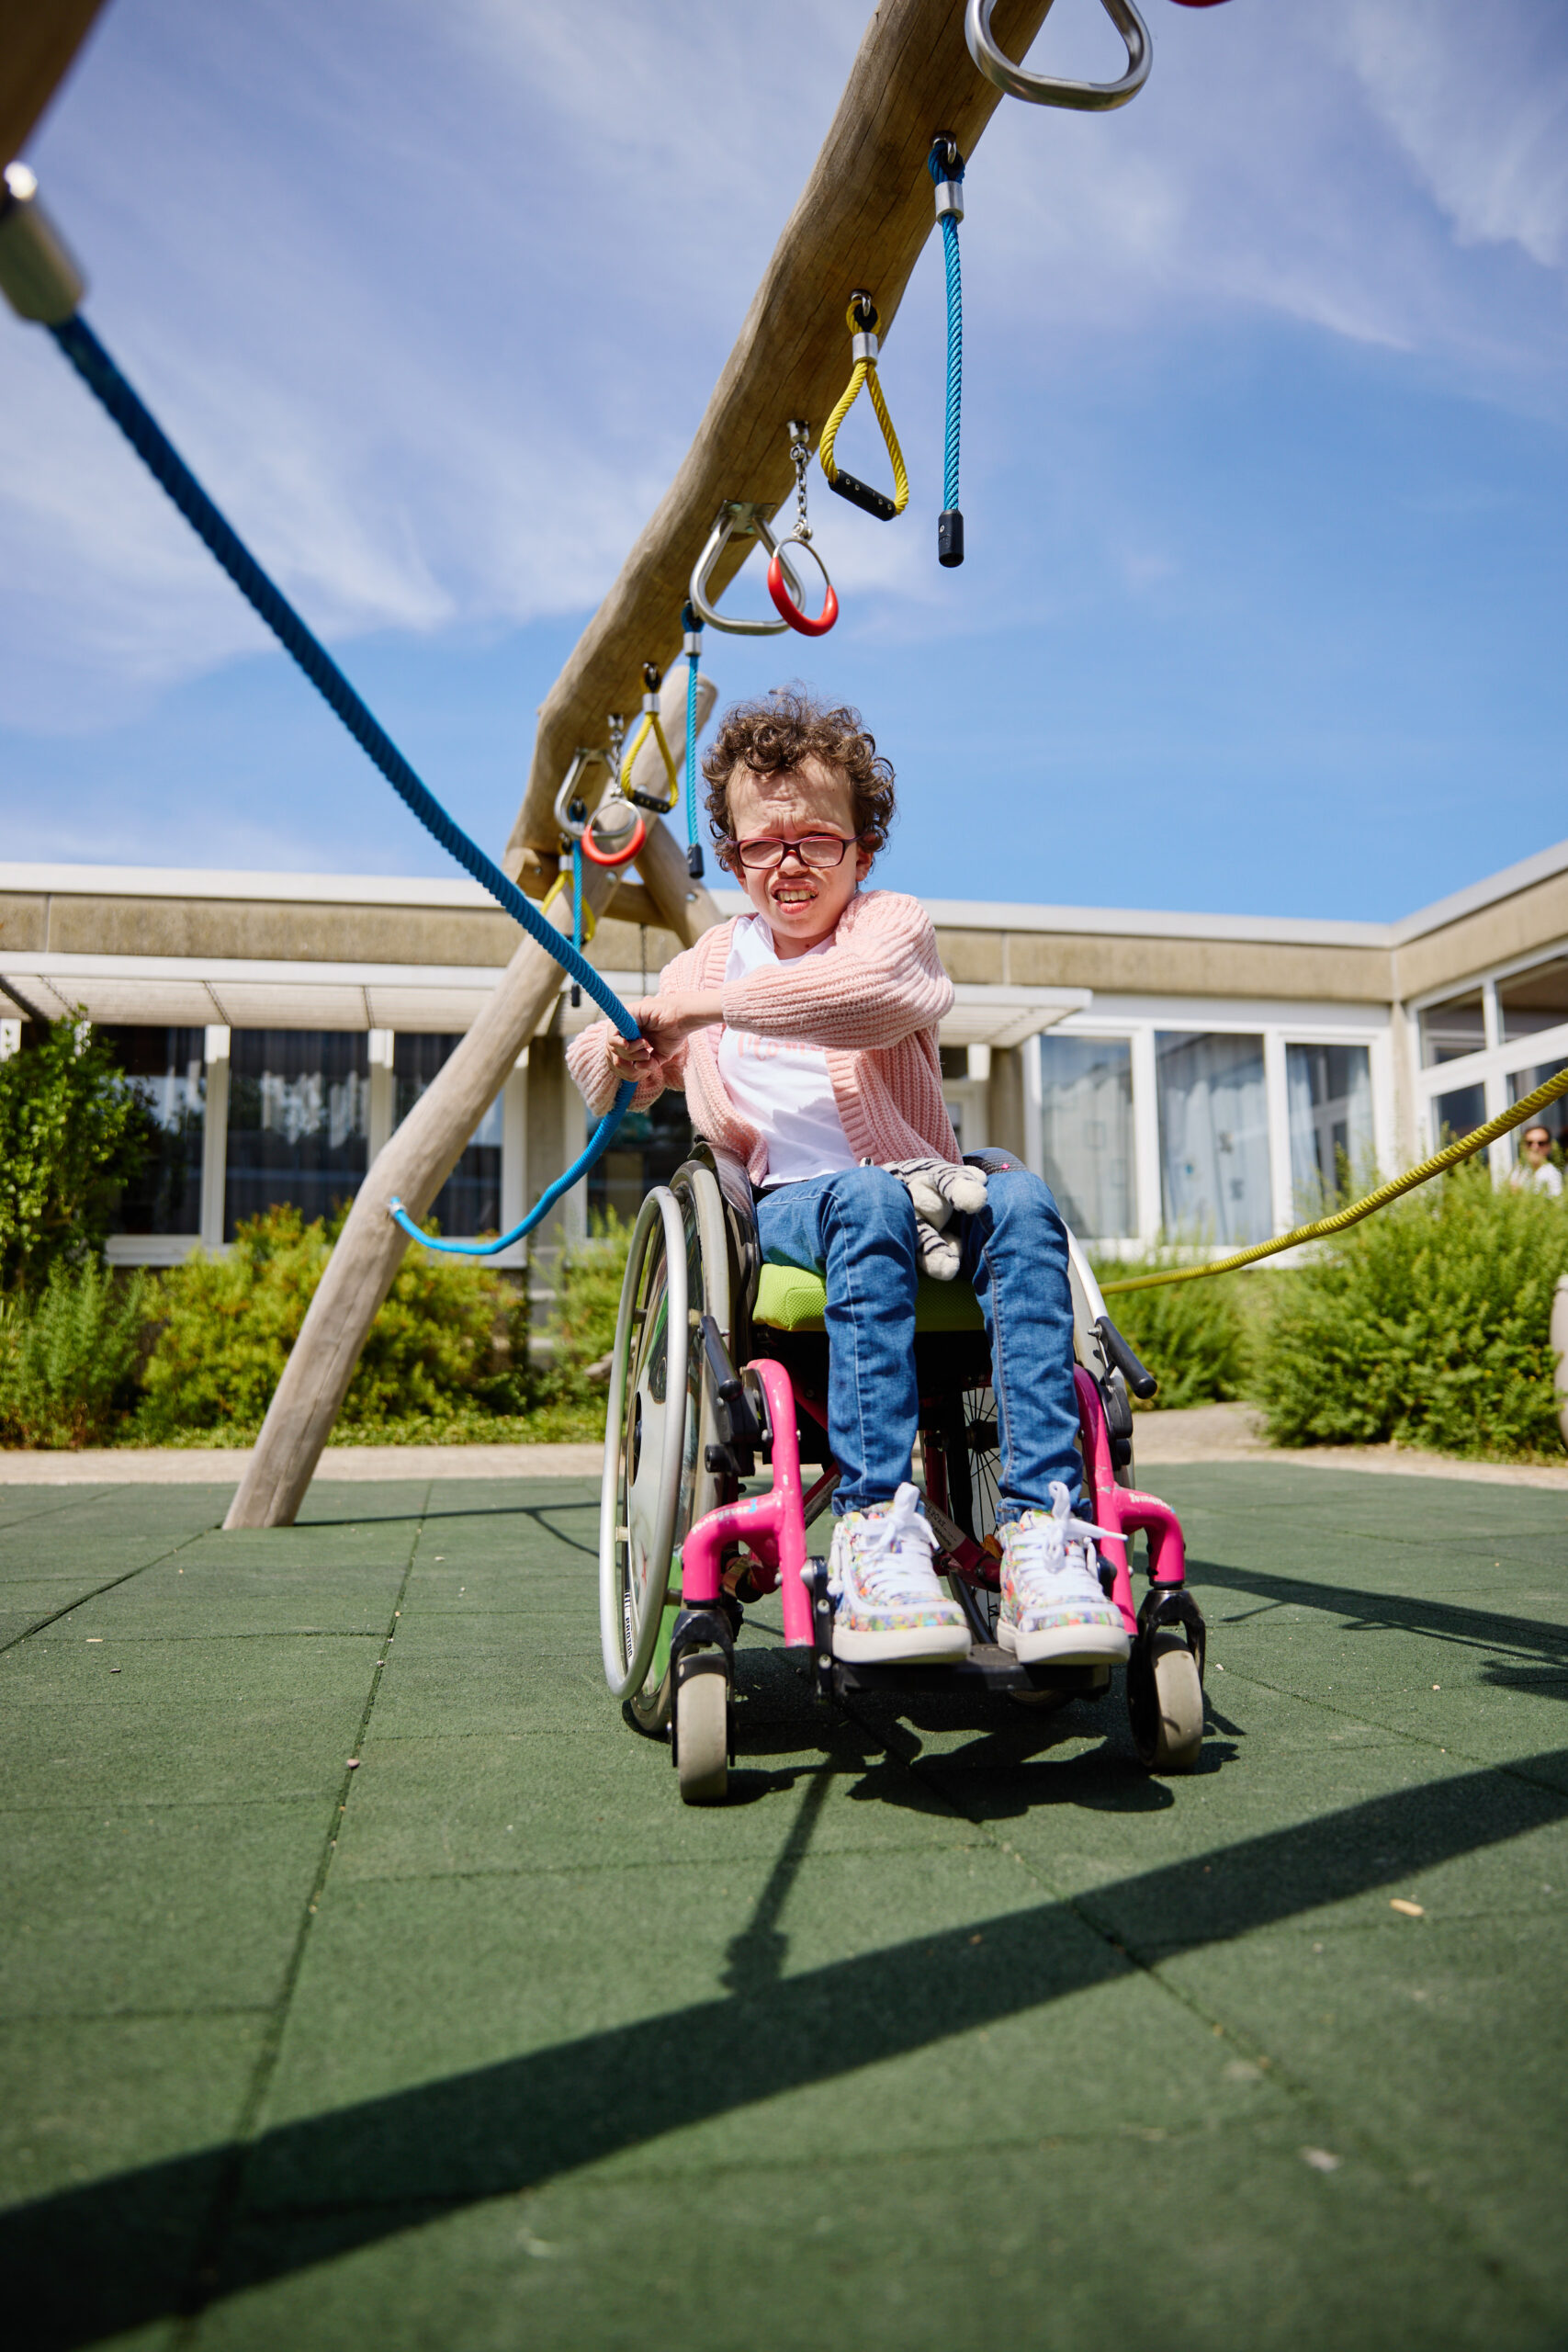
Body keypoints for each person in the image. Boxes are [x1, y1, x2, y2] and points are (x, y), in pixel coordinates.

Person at [567, 689, 1127, 1672]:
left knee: (1026, 1198)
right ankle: (876, 1527)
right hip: (787, 1207)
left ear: (862, 851)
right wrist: (621, 1050)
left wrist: (697, 1010)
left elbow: (858, 1001)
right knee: (860, 1197)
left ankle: (1045, 1526)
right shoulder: (712, 956)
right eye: (761, 842)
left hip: (922, 1185)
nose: (787, 862)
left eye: (817, 839)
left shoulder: (890, 926)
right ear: (732, 854)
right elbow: (600, 1052)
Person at [1511, 1124, 1564, 1199]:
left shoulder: (1553, 1174)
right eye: (1529, 1143)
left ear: (1549, 1146)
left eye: (1541, 1143)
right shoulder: (1519, 1170)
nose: (1535, 1147)